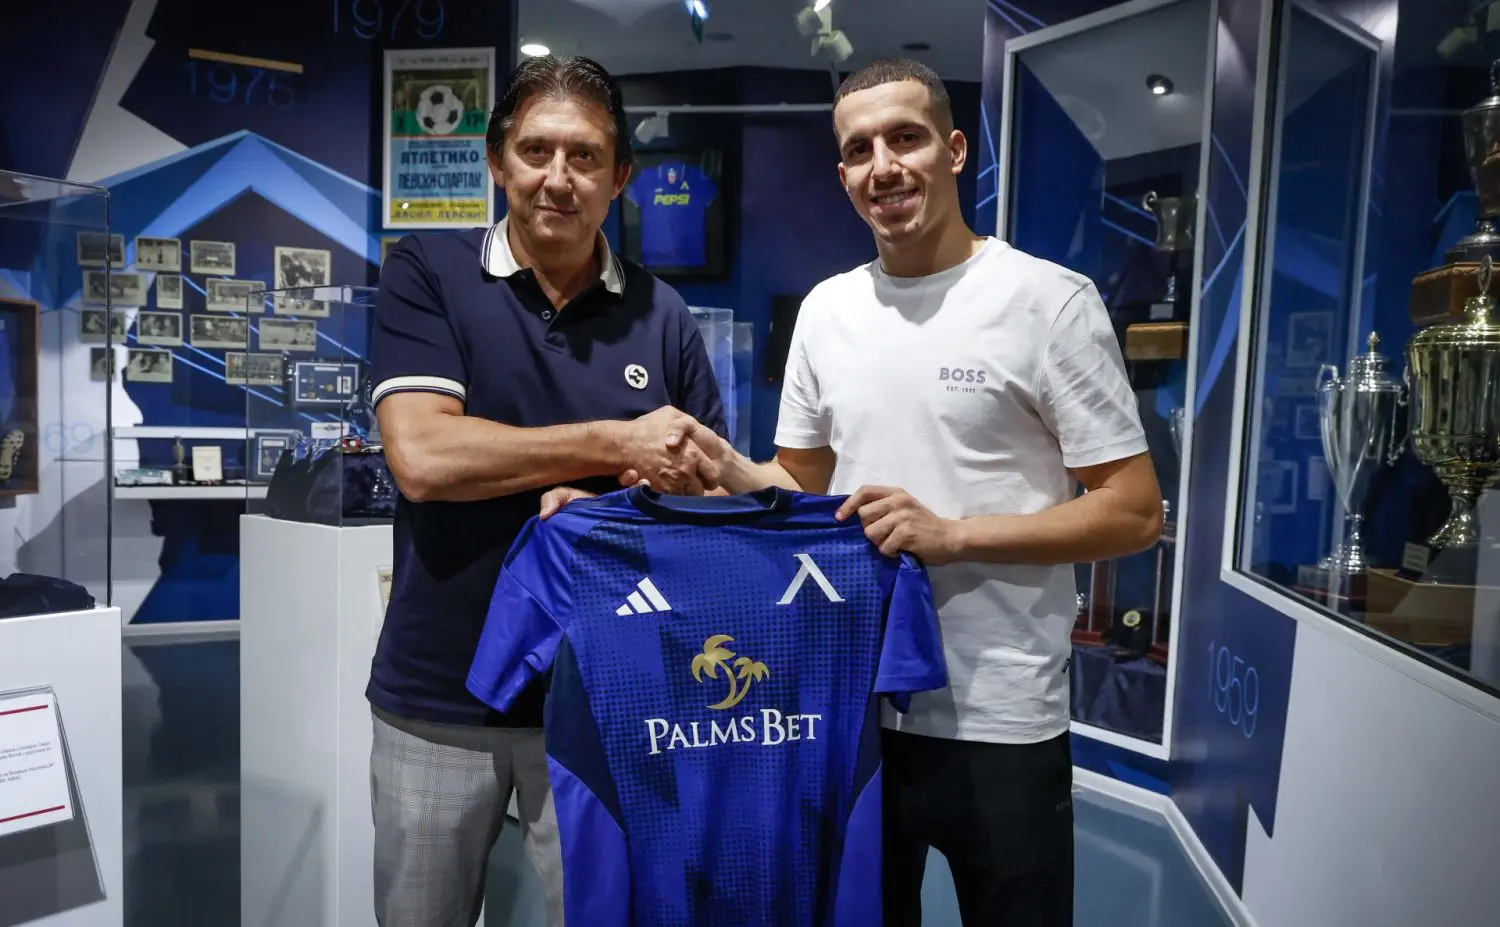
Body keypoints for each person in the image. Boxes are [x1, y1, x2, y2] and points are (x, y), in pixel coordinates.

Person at [543, 58, 1164, 926]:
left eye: (906, 138)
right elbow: (793, 487)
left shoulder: (1048, 303)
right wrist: (655, 502)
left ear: (954, 150)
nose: (884, 166)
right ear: (842, 175)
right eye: (860, 149)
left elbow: (1134, 510)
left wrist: (953, 535)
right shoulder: (827, 312)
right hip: (844, 711)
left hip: (1001, 715)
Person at [367, 54, 726, 927]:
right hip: (439, 692)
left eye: (585, 157)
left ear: (620, 178)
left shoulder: (664, 315)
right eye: (536, 152)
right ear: (498, 162)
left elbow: (710, 506)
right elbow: (423, 456)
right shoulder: (428, 271)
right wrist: (613, 443)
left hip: (610, 701)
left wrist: (615, 510)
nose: (557, 178)